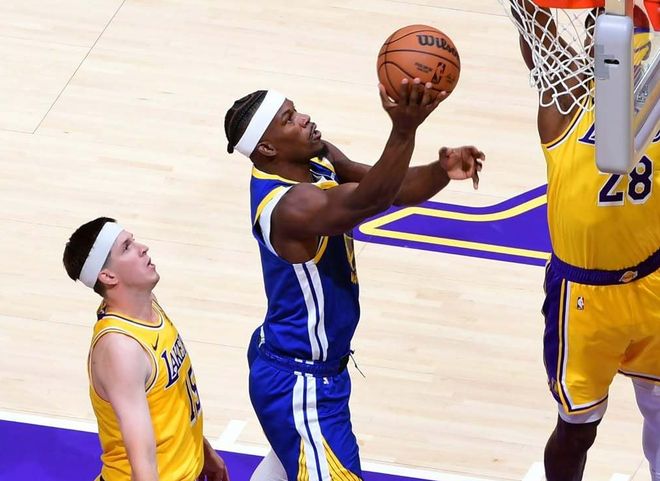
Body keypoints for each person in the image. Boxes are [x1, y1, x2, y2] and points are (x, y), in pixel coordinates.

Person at [224, 80, 485, 480]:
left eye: (296, 109)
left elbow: (391, 187)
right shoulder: (290, 207)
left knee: (289, 466)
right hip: (299, 382)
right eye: (289, 119)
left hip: (296, 362)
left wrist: (441, 171)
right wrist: (404, 130)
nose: (304, 118)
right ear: (268, 148)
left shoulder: (317, 159)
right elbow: (369, 201)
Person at [511, 1, 660, 480]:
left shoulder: (655, 93)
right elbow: (539, 36)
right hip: (584, 297)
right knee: (577, 430)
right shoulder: (567, 100)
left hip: (653, 281)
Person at [62, 217, 230, 481]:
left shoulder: (149, 306)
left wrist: (204, 452)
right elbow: (142, 457)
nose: (143, 248)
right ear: (108, 276)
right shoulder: (121, 349)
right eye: (127, 247)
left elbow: (171, 403)